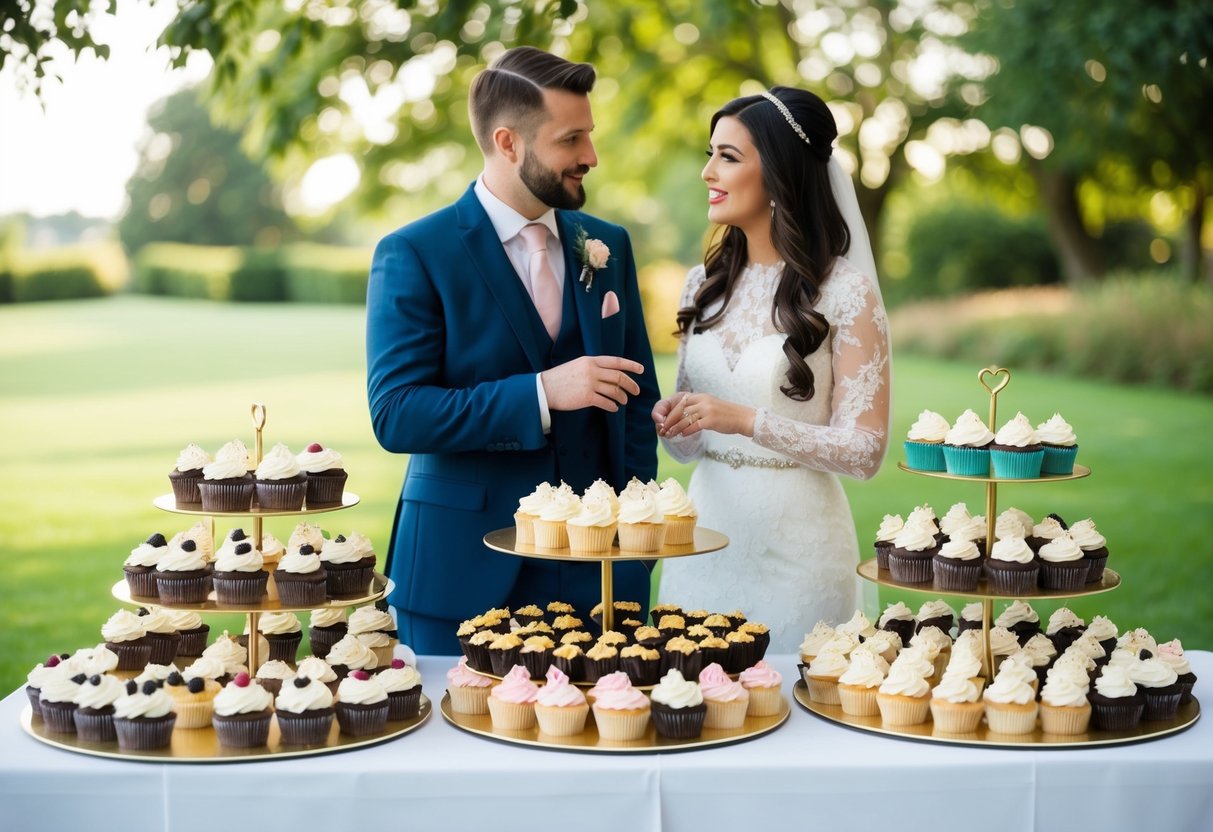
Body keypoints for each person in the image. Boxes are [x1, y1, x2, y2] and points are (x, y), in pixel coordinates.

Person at [366, 47, 660, 655]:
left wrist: (632, 551)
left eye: (590, 135)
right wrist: (542, 394)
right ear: (508, 142)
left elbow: (636, 403)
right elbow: (397, 413)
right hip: (460, 571)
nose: (591, 156)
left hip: (601, 580)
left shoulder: (609, 245)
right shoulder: (415, 252)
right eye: (570, 139)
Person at [652, 86, 891, 653]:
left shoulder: (845, 293)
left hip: (799, 554)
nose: (709, 171)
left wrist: (744, 419)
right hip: (701, 539)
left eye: (728, 157)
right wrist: (674, 423)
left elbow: (865, 452)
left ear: (780, 175)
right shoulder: (701, 286)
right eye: (709, 153)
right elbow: (690, 447)